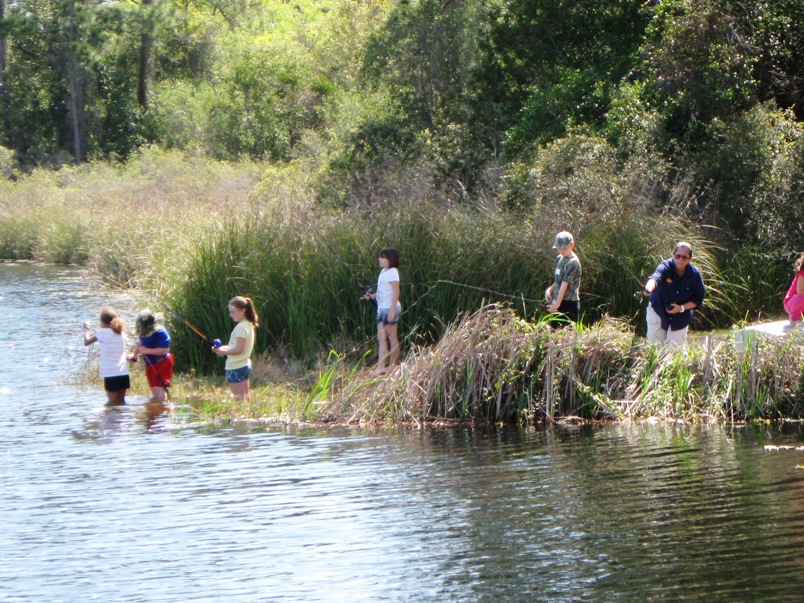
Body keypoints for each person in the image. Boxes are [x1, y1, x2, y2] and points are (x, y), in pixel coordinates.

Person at [640, 242, 705, 348]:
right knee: (654, 347)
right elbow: (655, 277)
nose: (680, 259)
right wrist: (648, 288)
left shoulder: (694, 274)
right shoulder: (665, 266)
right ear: (673, 255)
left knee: (675, 350)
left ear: (690, 259)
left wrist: (681, 308)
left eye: (684, 257)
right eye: (678, 256)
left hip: (681, 316)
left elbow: (698, 298)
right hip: (658, 309)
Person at [363, 247, 402, 374]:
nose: (379, 259)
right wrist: (371, 296)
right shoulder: (383, 272)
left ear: (389, 259)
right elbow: (382, 292)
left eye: (382, 257)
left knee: (392, 337)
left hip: (390, 308)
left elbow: (396, 292)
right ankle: (381, 367)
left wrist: (391, 311)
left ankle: (393, 366)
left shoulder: (392, 272)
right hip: (381, 308)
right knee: (381, 338)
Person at [213, 296, 259, 401]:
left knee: (239, 399)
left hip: (236, 366)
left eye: (233, 312)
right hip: (244, 364)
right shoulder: (247, 325)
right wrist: (221, 348)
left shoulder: (240, 328)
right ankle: (249, 415)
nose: (230, 314)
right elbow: (237, 346)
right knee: (245, 396)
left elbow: (239, 349)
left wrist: (223, 353)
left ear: (242, 311)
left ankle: (242, 417)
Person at [83, 305, 130, 405]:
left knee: (112, 404)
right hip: (123, 373)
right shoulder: (121, 333)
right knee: (122, 404)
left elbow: (87, 342)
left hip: (111, 374)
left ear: (104, 322)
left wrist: (87, 329)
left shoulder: (102, 332)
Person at [128, 309, 173, 403]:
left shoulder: (161, 332)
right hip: (150, 364)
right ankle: (158, 412)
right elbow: (140, 342)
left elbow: (165, 350)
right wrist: (134, 354)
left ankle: (162, 413)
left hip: (162, 362)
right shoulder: (143, 332)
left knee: (159, 392)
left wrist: (146, 350)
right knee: (155, 392)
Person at [545, 231, 581, 324]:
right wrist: (549, 291)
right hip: (558, 301)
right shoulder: (559, 258)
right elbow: (558, 281)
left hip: (569, 304)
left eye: (564, 248)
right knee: (554, 334)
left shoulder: (573, 262)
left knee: (568, 334)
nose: (561, 250)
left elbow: (565, 284)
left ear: (572, 245)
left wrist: (556, 304)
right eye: (559, 248)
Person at [783, 252, 804, 323]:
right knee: (802, 298)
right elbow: (800, 292)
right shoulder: (802, 274)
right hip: (791, 303)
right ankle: (794, 319)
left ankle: (800, 317)